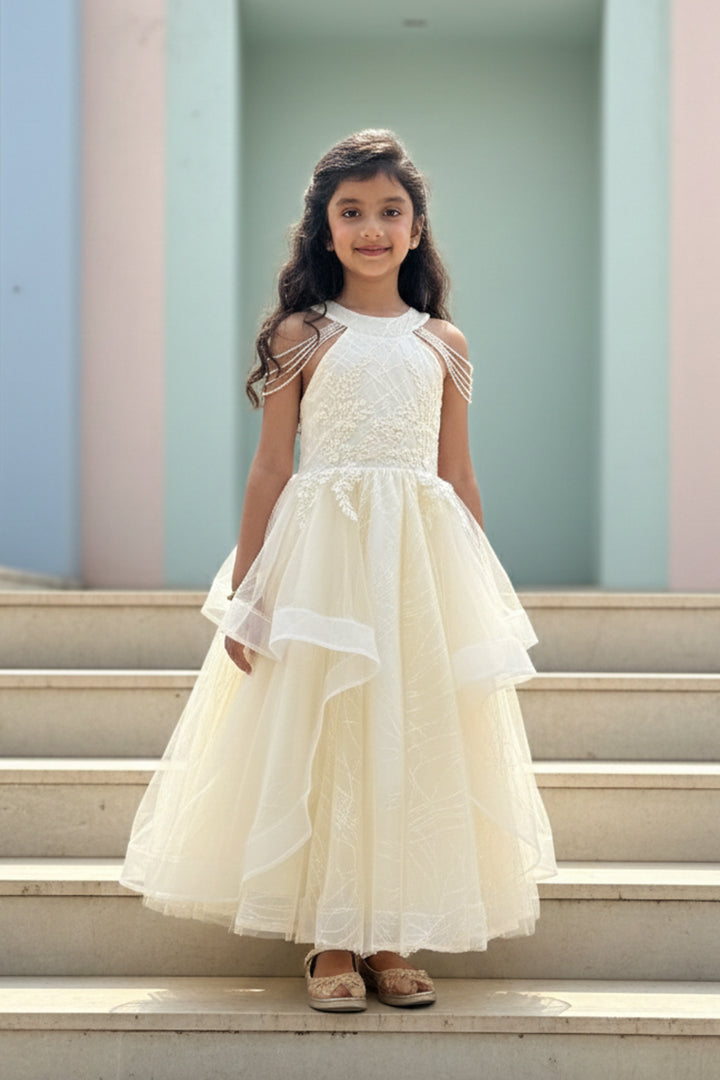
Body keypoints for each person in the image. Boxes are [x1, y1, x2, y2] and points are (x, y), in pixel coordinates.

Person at [120, 129, 558, 1013]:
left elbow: (459, 475)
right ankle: (331, 935)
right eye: (351, 212)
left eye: (389, 212)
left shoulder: (446, 343)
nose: (371, 228)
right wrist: (250, 592)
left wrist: (470, 594)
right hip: (322, 564)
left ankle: (390, 928)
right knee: (329, 736)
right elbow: (273, 468)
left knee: (405, 734)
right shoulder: (303, 333)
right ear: (323, 230)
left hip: (416, 568)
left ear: (416, 226)